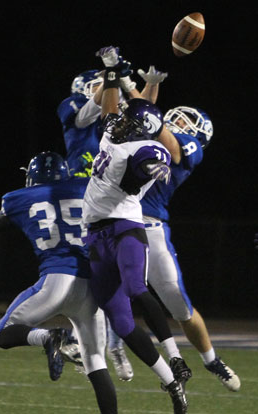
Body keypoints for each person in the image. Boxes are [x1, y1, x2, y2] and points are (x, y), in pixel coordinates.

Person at [82, 46, 189, 414]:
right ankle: (172, 382)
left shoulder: (147, 150)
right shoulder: (117, 132)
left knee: (136, 287)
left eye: (129, 121)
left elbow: (156, 163)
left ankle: (175, 356)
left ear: (143, 130)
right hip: (94, 233)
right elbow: (115, 106)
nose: (120, 120)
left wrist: (151, 163)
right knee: (123, 324)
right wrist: (112, 70)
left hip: (126, 225)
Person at [57, 57, 167, 381]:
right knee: (79, 273)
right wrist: (112, 76)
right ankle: (80, 339)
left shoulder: (117, 129)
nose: (108, 91)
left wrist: (145, 87)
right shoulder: (73, 108)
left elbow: (143, 118)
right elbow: (99, 108)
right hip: (81, 196)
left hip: (112, 205)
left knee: (111, 283)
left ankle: (109, 345)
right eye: (99, 86)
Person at [0, 151, 118, 414]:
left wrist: (4, 213)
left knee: (3, 333)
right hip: (91, 286)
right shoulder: (85, 187)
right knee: (95, 361)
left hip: (55, 280)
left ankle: (48, 337)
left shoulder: (18, 198)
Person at [141, 106, 241, 392]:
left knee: (177, 303)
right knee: (105, 291)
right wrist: (128, 87)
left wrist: (147, 114)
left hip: (150, 226)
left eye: (187, 120)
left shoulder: (190, 146)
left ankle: (211, 360)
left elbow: (168, 142)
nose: (178, 119)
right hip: (114, 219)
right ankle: (110, 350)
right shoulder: (152, 135)